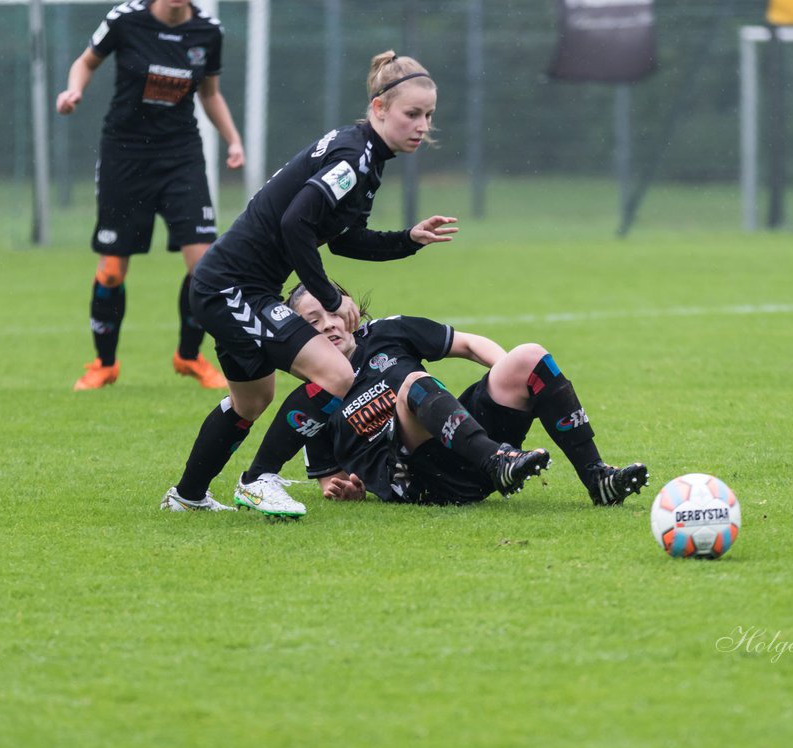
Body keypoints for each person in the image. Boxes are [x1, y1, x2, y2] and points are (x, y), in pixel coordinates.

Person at [160, 50, 459, 513]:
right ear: (380, 108)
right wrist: (325, 295)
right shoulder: (354, 156)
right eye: (412, 114)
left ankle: (187, 496)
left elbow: (341, 239)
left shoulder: (367, 158)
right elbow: (295, 223)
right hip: (230, 286)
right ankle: (258, 479)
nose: (423, 125)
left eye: (429, 115)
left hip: (239, 286)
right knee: (338, 373)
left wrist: (408, 239)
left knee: (251, 401)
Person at [240, 282, 648, 512]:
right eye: (312, 321)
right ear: (296, 334)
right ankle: (497, 460)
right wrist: (348, 490)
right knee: (412, 383)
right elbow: (331, 479)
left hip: (464, 444)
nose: (328, 324)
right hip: (417, 480)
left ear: (349, 312)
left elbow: (470, 345)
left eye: (331, 311)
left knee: (529, 356)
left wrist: (514, 376)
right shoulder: (313, 396)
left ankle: (598, 479)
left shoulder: (387, 331)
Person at [56, 0, 244, 391]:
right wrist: (73, 91)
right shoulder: (126, 19)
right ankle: (104, 364)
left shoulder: (208, 31)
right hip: (124, 155)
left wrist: (233, 140)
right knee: (112, 269)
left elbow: (210, 93)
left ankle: (189, 356)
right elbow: (86, 62)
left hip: (181, 156)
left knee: (205, 267)